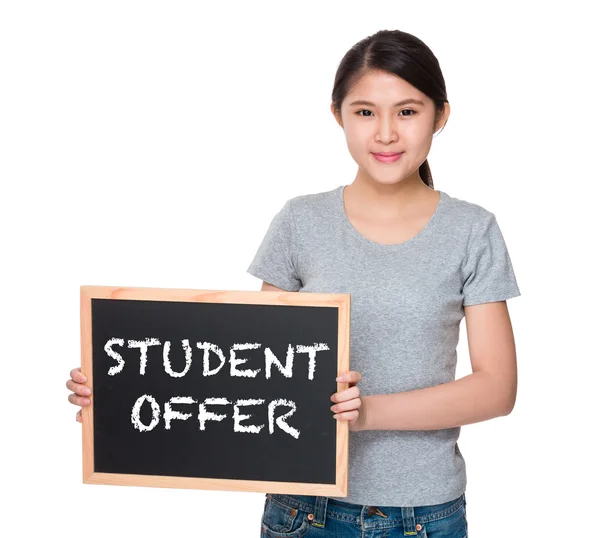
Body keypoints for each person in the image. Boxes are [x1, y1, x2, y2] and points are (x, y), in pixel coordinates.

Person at [67, 29, 521, 537]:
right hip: (303, 510)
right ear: (338, 116)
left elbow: (496, 388)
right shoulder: (300, 223)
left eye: (408, 111)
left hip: (420, 513)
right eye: (365, 111)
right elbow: (249, 370)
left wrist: (368, 412)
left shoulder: (471, 230)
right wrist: (122, 390)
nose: (386, 133)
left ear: (441, 116)